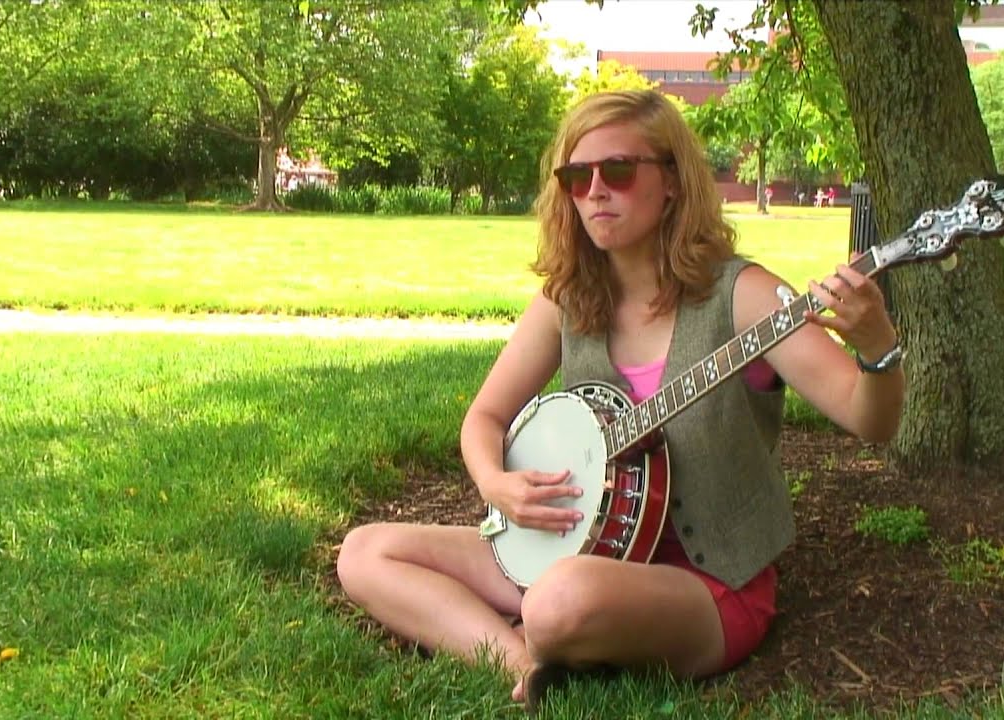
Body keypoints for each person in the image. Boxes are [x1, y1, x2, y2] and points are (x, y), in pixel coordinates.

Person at [335, 90, 905, 712]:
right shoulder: (567, 299)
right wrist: (497, 485)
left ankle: (538, 632)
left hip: (705, 584)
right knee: (364, 552)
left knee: (557, 601)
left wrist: (877, 347)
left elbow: (868, 418)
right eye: (577, 178)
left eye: (619, 170)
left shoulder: (744, 297)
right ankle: (523, 661)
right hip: (574, 548)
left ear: (673, 183)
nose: (596, 191)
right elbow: (484, 418)